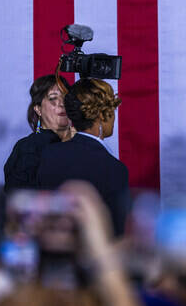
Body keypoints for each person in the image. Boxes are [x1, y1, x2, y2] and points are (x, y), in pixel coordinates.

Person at [38, 79, 130, 235]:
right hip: (93, 255)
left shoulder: (49, 154)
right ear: (101, 115)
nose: (114, 119)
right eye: (112, 112)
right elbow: (117, 230)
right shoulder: (114, 169)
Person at [3, 75, 74, 192]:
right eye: (53, 98)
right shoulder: (28, 147)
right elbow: (20, 199)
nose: (62, 104)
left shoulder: (84, 142)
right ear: (38, 108)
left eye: (66, 97)